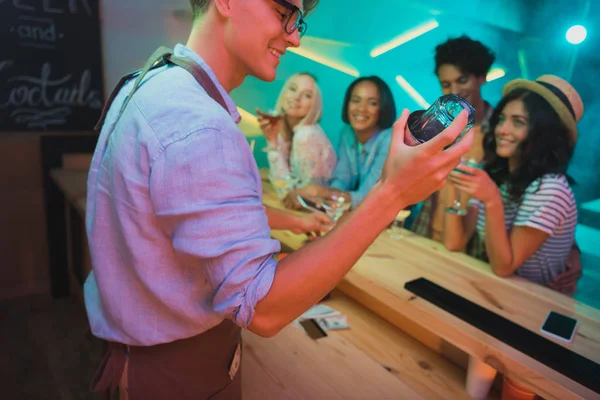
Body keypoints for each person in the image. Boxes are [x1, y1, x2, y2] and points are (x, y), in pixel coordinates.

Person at [84, 0, 473, 398]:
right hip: (177, 371)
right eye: (284, 10)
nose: (296, 36)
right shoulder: (199, 126)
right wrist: (392, 194)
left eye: (299, 20)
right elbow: (263, 308)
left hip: (140, 354)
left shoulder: (148, 80)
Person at [443, 75, 582, 288]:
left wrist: (491, 199)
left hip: (534, 305)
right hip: (497, 293)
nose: (502, 130)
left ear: (544, 133)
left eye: (518, 122)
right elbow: (455, 242)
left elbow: (504, 267)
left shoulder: (550, 188)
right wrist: (453, 182)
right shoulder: (500, 176)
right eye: (501, 119)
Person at [411, 35, 495, 246]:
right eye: (446, 85)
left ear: (482, 77)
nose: (455, 91)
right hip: (425, 234)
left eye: (462, 80)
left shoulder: (500, 133)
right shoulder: (437, 127)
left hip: (472, 250)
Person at [284, 75, 397, 210]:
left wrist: (321, 193)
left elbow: (370, 197)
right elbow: (341, 179)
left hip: (390, 222)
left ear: (383, 108)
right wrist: (325, 198)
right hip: (356, 215)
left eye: (372, 103)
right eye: (355, 100)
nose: (361, 108)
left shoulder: (390, 141)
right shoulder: (347, 133)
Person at [258, 72, 336, 187]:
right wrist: (273, 139)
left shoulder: (306, 135)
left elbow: (294, 191)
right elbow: (284, 181)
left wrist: (272, 145)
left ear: (314, 105)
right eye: (293, 89)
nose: (296, 97)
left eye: (307, 95)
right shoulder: (284, 127)